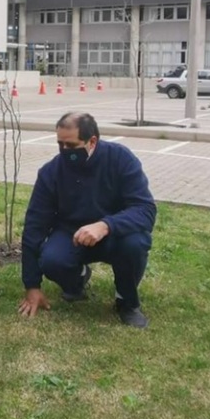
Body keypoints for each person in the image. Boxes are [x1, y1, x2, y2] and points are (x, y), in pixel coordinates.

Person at [18, 112, 156, 329]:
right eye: (60, 144)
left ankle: (126, 301)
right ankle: (78, 278)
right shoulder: (50, 172)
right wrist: (32, 286)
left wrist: (106, 225)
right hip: (71, 234)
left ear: (92, 141)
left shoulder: (121, 159)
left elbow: (145, 209)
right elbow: (34, 226)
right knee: (52, 260)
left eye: (71, 145)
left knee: (135, 244)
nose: (65, 150)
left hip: (115, 234)